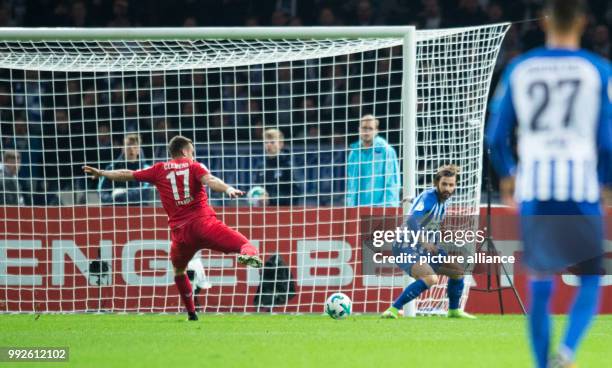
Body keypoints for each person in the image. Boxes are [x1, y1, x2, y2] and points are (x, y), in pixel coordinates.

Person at [486, 1, 610, 366]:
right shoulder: (599, 70)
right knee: (590, 277)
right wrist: (605, 182)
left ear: (545, 21)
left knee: (541, 281)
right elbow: (607, 140)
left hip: (536, 188)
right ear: (584, 22)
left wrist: (508, 175)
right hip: (581, 188)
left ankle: (543, 364)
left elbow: (495, 135)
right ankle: (567, 350)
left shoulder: (520, 69)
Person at [83, 135, 262, 321]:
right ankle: (247, 255)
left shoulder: (159, 169)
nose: (193, 156)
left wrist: (102, 173)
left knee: (178, 270)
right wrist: (228, 189)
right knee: (245, 244)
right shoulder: (195, 166)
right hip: (204, 225)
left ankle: (192, 313)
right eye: (191, 152)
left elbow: (127, 174)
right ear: (184, 151)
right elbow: (210, 180)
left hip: (181, 235)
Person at [381, 165, 475, 319]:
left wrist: (413, 199)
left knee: (458, 272)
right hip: (406, 246)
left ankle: (453, 311)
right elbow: (411, 220)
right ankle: (392, 309)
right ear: (436, 183)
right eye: (444, 184)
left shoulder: (444, 199)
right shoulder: (429, 197)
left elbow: (426, 209)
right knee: (430, 279)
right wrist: (424, 241)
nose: (447, 188)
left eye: (451, 185)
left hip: (426, 248)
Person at [346, 114, 400, 207]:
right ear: (359, 129)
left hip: (380, 209)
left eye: (370, 128)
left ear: (376, 131)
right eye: (364, 128)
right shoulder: (353, 153)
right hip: (357, 209)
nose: (366, 131)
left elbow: (392, 182)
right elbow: (351, 183)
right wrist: (350, 206)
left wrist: (389, 207)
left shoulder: (386, 151)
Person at [98, 133, 153, 205]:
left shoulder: (147, 170)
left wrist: (121, 196)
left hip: (139, 211)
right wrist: (112, 200)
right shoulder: (111, 168)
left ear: (139, 150)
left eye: (135, 146)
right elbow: (101, 191)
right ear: (123, 149)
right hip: (115, 210)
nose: (131, 149)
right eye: (128, 145)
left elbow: (145, 192)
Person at [253, 128, 300, 206]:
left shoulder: (288, 165)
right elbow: (256, 188)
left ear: (281, 144)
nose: (268, 145)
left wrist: (270, 200)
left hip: (284, 212)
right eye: (266, 142)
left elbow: (296, 194)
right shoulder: (261, 166)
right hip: (264, 212)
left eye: (272, 142)